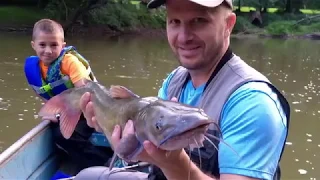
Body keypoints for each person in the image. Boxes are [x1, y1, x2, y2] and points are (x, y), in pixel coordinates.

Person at [73, 0, 291, 180]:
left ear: (228, 24)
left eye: (199, 21)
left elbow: (167, 160)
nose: (184, 36)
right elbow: (144, 145)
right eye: (174, 22)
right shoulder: (176, 79)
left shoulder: (254, 103)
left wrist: (175, 164)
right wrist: (108, 126)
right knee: (86, 176)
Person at [24, 19, 114, 172]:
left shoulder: (70, 62)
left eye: (54, 45)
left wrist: (60, 112)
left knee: (62, 135)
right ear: (34, 45)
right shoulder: (33, 67)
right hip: (69, 108)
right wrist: (52, 110)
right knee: (57, 132)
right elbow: (43, 92)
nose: (48, 50)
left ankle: (102, 164)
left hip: (89, 110)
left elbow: (85, 95)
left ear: (63, 46)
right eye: (42, 45)